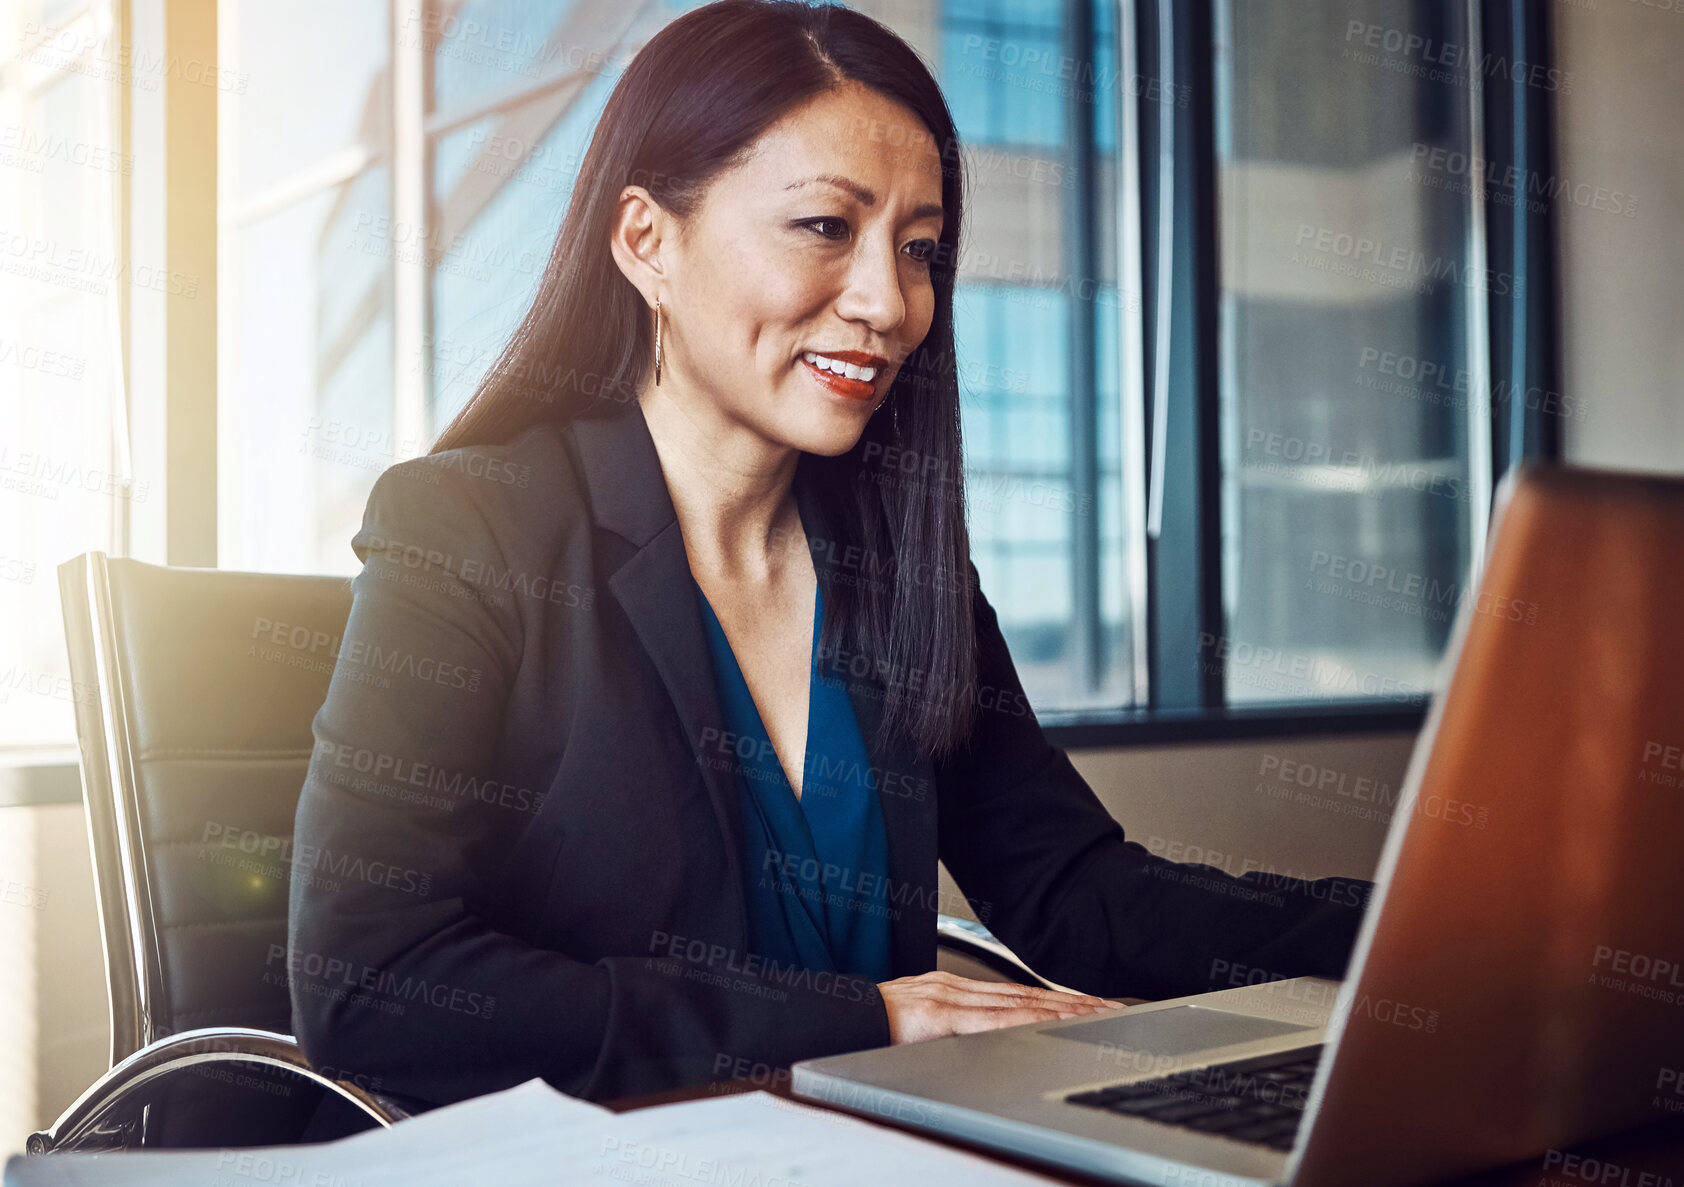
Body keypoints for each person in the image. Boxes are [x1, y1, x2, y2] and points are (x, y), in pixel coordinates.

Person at [287, 0, 1370, 1111]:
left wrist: (1413, 927)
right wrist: (874, 1017)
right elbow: (373, 984)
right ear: (647, 242)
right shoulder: (469, 528)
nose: (887, 303)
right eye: (823, 228)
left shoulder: (893, 563)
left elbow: (1075, 889)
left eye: (918, 249)